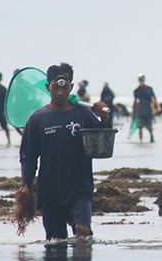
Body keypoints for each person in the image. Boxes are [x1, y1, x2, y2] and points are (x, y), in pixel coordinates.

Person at [19, 62, 112, 241]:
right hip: (49, 191)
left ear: (71, 87)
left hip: (79, 189)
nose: (60, 92)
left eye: (65, 87)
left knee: (83, 233)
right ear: (48, 87)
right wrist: (26, 186)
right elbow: (28, 156)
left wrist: (105, 117)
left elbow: (103, 145)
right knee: (55, 241)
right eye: (55, 87)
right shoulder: (38, 119)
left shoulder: (83, 115)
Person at [133, 73, 157, 142]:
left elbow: (154, 98)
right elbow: (135, 102)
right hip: (141, 109)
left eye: (142, 80)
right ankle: (141, 140)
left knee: (149, 125)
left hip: (147, 109)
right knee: (140, 126)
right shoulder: (137, 90)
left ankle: (151, 137)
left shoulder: (149, 89)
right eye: (140, 80)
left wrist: (156, 107)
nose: (141, 81)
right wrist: (134, 111)